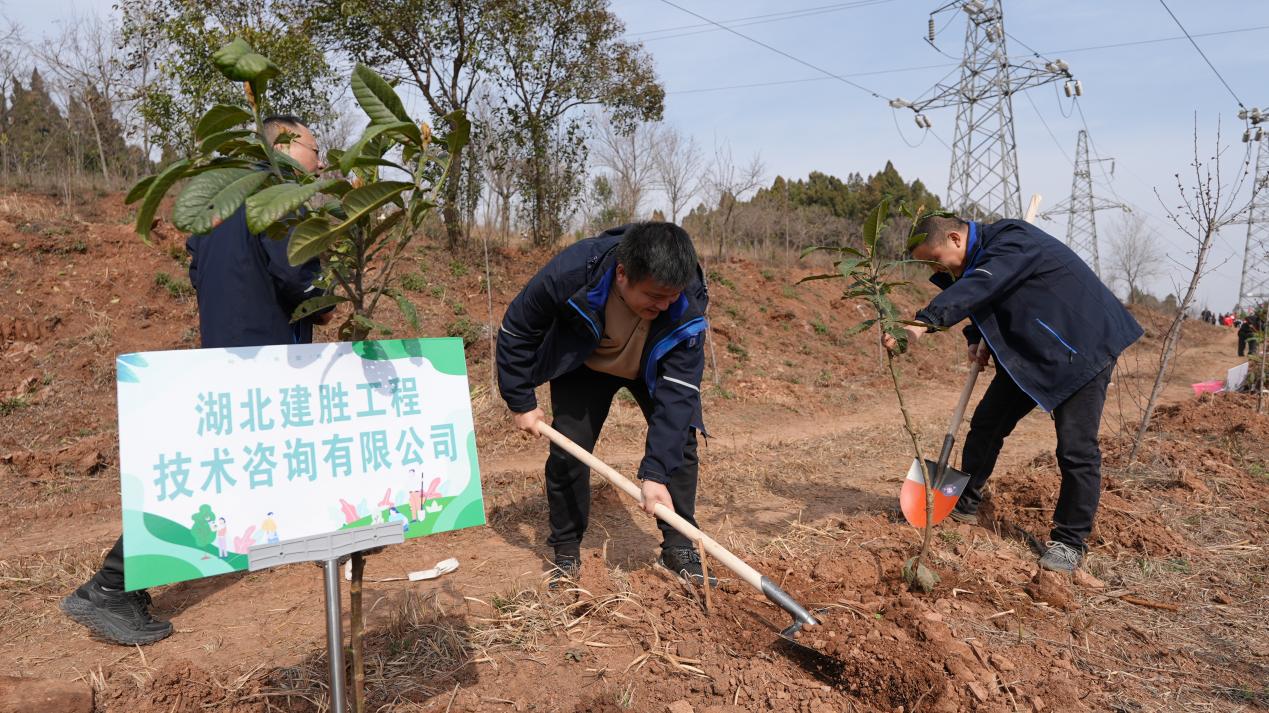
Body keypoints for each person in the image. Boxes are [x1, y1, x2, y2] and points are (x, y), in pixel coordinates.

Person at [61, 115, 333, 646]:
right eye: (314, 149)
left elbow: (199, 271)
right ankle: (110, 586)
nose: (320, 162)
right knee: (216, 478)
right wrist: (324, 300)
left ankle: (295, 541)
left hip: (223, 350)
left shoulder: (217, 201)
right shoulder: (274, 198)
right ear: (283, 145)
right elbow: (300, 275)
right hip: (265, 356)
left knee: (237, 467)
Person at [887, 215, 1143, 573]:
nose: (933, 269)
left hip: (1081, 347)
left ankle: (1069, 541)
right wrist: (977, 338)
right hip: (1034, 351)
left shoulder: (1013, 240)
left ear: (955, 239)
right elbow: (987, 297)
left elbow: (983, 284)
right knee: (988, 422)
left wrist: (920, 322)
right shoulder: (980, 259)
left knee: (1076, 449)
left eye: (933, 259)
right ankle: (964, 502)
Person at [496, 222, 712, 585]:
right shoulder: (574, 271)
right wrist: (520, 400)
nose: (664, 305)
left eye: (671, 297)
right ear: (622, 273)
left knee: (681, 442)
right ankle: (566, 550)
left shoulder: (686, 300)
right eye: (655, 295)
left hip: (651, 366)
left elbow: (678, 396)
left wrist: (655, 473)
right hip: (587, 362)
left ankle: (679, 544)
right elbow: (519, 328)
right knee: (569, 449)